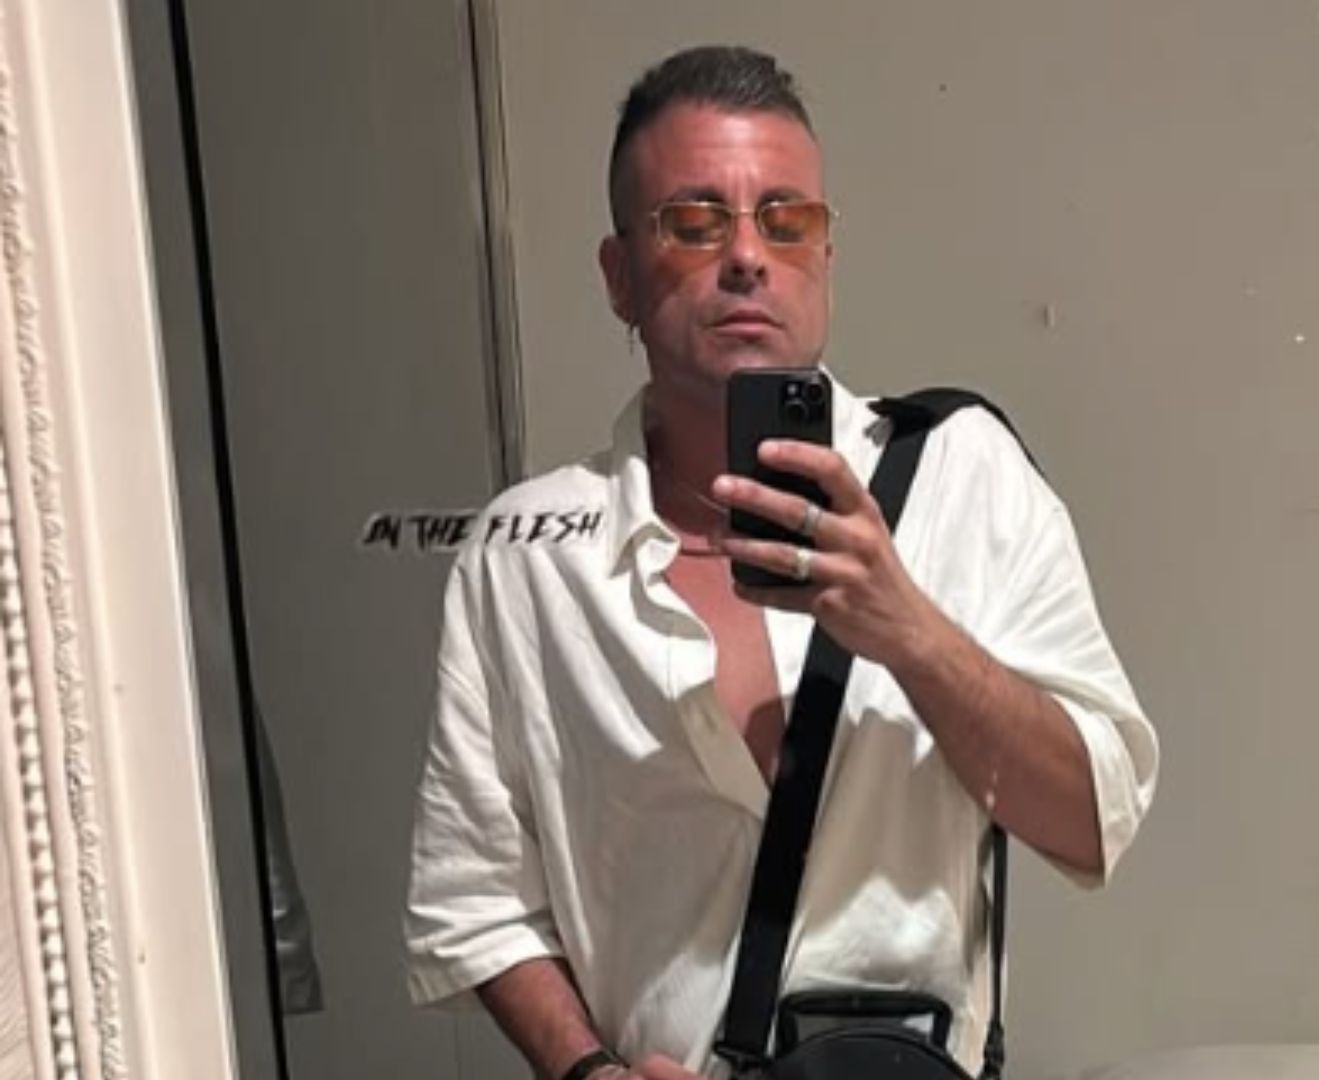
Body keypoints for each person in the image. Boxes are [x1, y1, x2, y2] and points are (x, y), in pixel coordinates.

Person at [404, 45, 1158, 1080]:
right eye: (694, 223)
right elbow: (476, 900)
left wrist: (910, 631)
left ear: (827, 256)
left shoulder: (965, 477)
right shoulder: (526, 563)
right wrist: (585, 1071)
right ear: (620, 277)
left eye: (786, 220)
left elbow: (1093, 819)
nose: (748, 257)